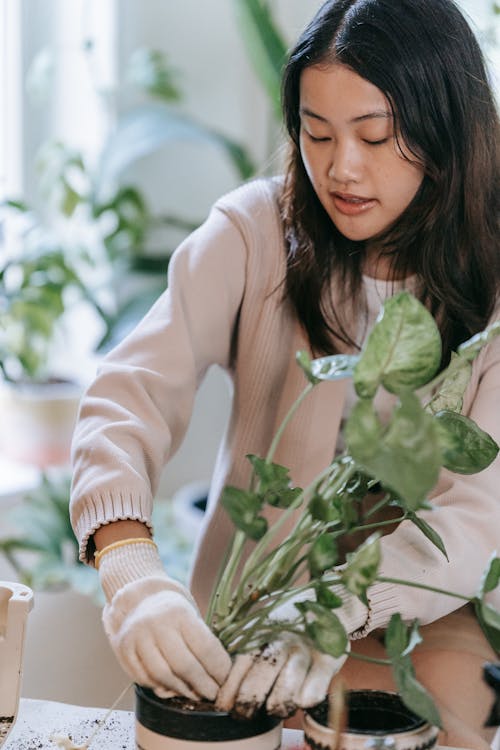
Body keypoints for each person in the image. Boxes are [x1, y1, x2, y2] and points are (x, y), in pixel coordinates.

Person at [70, 0, 500, 747]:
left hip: (424, 650)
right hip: (238, 648)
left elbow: (474, 517)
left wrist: (329, 613)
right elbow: (127, 394)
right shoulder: (253, 234)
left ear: (448, 131)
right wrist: (130, 569)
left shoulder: (493, 288)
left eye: (375, 135)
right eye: (316, 132)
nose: (342, 167)